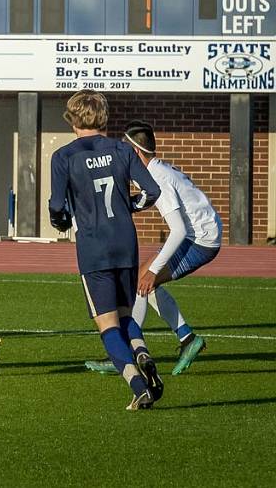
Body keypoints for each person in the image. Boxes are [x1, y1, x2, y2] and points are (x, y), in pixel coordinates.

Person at [49, 90, 163, 410]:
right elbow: (151, 191)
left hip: (94, 245)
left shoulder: (64, 156)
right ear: (105, 117)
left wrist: (59, 221)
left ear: (72, 119)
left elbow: (58, 206)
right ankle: (141, 350)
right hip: (125, 239)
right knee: (126, 313)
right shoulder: (122, 149)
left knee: (107, 323)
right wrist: (131, 207)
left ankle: (137, 385)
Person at [85, 120, 220, 376]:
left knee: (141, 283)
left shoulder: (157, 175)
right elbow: (151, 199)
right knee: (144, 280)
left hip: (200, 240)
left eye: (124, 149)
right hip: (200, 234)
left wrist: (153, 270)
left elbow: (178, 230)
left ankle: (125, 353)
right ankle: (188, 339)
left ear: (135, 152)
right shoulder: (155, 170)